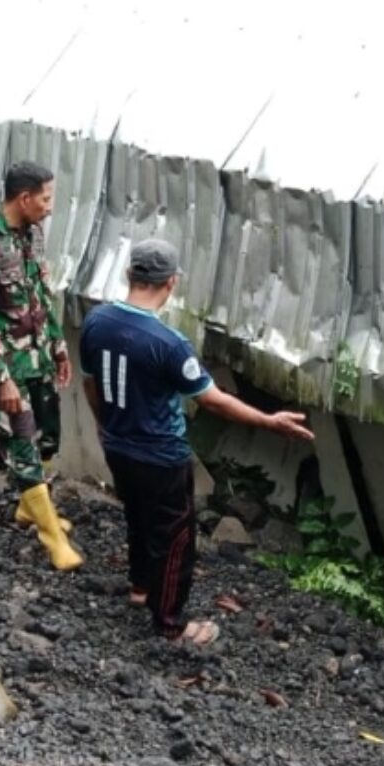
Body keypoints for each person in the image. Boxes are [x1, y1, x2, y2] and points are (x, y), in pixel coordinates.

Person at [79, 238, 315, 646]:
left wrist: (104, 427)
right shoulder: (168, 344)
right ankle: (171, 623)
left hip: (118, 445)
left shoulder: (97, 322)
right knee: (175, 538)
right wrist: (269, 421)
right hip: (161, 455)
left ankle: (140, 588)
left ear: (128, 274)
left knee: (137, 515)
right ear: (171, 283)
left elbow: (90, 382)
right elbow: (213, 400)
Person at [0, 161, 82, 572]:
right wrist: (0, 379)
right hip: (5, 366)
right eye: (45, 198)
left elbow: (43, 294)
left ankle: (31, 510)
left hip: (38, 357)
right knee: (22, 444)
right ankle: (52, 537)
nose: (50, 207)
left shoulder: (33, 234)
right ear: (24, 198)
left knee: (48, 439)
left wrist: (59, 347)